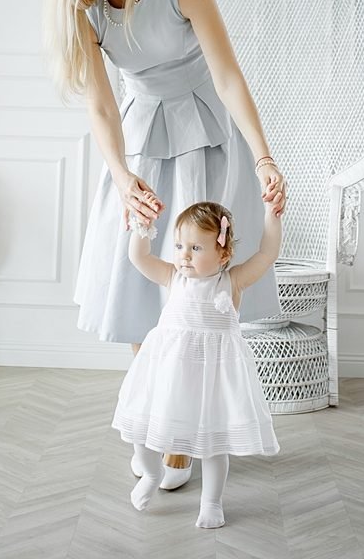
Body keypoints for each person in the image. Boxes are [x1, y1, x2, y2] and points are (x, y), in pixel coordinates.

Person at [45, 0, 286, 489]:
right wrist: (122, 176)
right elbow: (102, 107)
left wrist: (263, 156)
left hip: (205, 135)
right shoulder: (85, 12)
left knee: (197, 284)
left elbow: (228, 76)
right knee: (138, 285)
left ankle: (185, 434)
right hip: (139, 143)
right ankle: (158, 422)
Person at [113, 200, 281, 528]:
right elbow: (139, 257)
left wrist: (272, 216)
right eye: (179, 246)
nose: (184, 255)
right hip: (169, 373)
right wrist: (142, 225)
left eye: (195, 248)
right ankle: (151, 473)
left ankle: (212, 501)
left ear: (222, 252)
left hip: (212, 379)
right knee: (143, 429)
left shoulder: (232, 281)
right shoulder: (173, 277)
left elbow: (267, 254)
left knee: (213, 446)